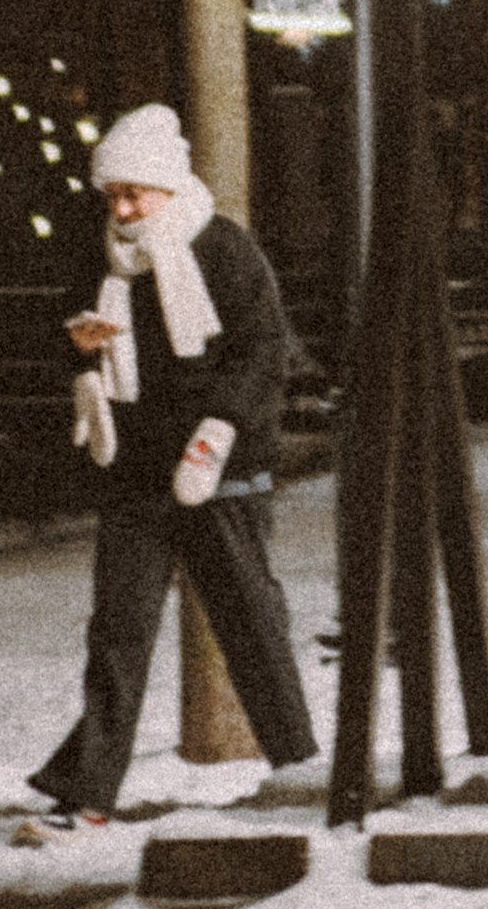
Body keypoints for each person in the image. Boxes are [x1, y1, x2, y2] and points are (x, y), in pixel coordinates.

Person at [25, 105, 317, 826]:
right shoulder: (99, 258)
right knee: (118, 631)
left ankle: (302, 768)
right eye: (112, 194)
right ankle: (87, 789)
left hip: (215, 466)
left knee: (250, 620)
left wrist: (217, 432)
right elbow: (68, 335)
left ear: (168, 184)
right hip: (134, 471)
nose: (121, 209)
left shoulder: (224, 250)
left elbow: (261, 353)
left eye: (134, 193)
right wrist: (82, 355)